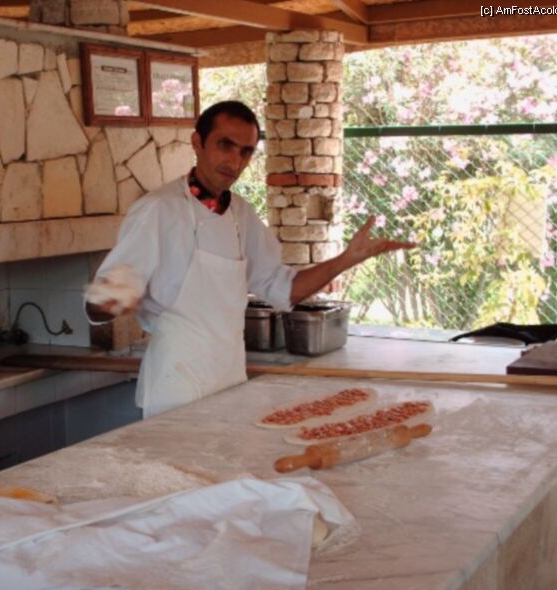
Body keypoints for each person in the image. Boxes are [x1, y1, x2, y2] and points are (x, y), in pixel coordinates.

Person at [86, 101, 414, 418]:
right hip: (176, 383)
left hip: (229, 378)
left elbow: (285, 290)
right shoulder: (158, 210)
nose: (234, 161)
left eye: (245, 152)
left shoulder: (241, 214)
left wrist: (347, 259)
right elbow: (97, 306)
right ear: (197, 142)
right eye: (225, 145)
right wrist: (111, 299)